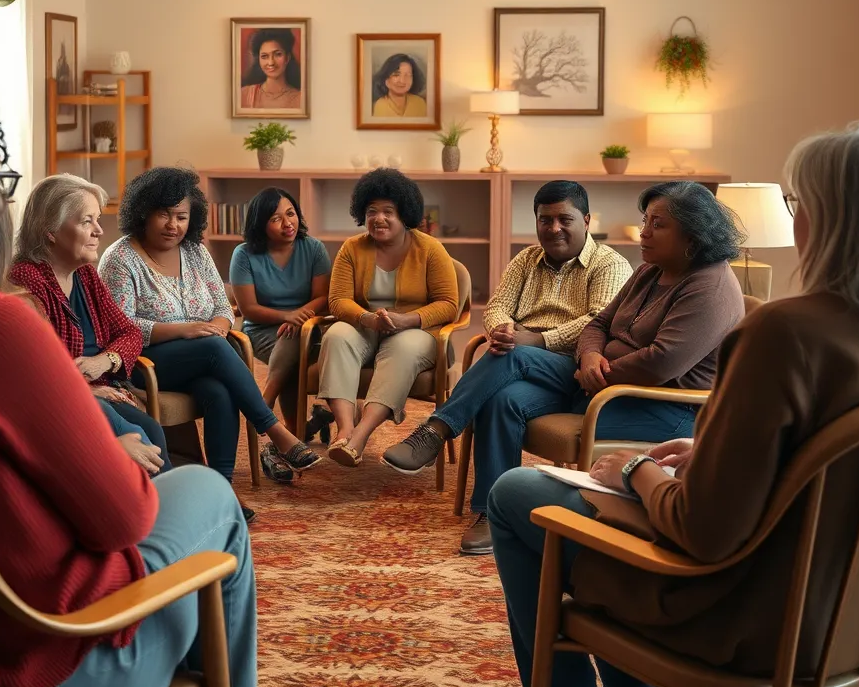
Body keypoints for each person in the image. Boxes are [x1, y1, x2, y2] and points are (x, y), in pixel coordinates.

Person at [0, 61, 260, 687]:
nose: (4, 202)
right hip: (34, 678)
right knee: (212, 498)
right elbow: (122, 520)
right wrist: (114, 452)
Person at [477, 160, 859, 687]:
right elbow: (820, 461)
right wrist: (705, 454)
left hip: (733, 618)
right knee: (517, 409)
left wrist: (638, 470)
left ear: (829, 221)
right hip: (838, 625)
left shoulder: (783, 333)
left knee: (517, 492)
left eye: (797, 203)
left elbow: (702, 531)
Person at [383, 180, 632, 554]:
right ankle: (493, 513)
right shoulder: (526, 259)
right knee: (502, 401)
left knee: (510, 354)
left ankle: (435, 430)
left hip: (576, 368)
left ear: (586, 220)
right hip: (521, 365)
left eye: (564, 219)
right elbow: (498, 305)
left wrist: (536, 341)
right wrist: (501, 329)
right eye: (544, 220)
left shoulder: (609, 264)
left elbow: (597, 323)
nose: (553, 228)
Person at [98, 166, 320, 494]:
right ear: (143, 212)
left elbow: (222, 307)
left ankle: (221, 492)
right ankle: (274, 431)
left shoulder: (195, 251)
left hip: (202, 356)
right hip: (143, 362)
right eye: (164, 215)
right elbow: (122, 327)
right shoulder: (120, 259)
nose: (174, 225)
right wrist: (184, 330)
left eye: (182, 216)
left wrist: (213, 329)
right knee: (218, 349)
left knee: (219, 391)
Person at [10, 174, 172, 474]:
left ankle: (172, 504)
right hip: (63, 399)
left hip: (103, 385)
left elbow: (129, 332)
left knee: (150, 429)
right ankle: (170, 507)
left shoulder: (85, 274)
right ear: (51, 231)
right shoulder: (27, 280)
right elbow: (40, 366)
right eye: (87, 221)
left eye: (97, 219)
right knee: (140, 435)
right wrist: (85, 387)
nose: (99, 230)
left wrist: (104, 361)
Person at [317, 168, 459, 467]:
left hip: (416, 331)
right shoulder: (352, 248)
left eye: (388, 211)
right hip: (366, 325)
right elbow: (338, 300)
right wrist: (368, 319)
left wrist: (408, 320)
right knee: (336, 335)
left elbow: (448, 304)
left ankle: (360, 437)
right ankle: (344, 429)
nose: (378, 218)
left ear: (404, 214)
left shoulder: (431, 249)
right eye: (371, 211)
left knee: (403, 348)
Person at [229, 188, 333, 450]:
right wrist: (288, 315)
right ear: (260, 224)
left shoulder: (313, 248)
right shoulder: (244, 254)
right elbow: (248, 308)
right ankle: (300, 425)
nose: (288, 223)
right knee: (292, 339)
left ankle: (269, 406)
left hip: (310, 328)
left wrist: (299, 317)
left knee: (296, 334)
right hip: (261, 331)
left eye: (291, 214)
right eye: (276, 219)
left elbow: (323, 299)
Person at [239, 27, 302, 110]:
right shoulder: (244, 94)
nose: (271, 62)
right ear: (259, 60)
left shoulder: (300, 99)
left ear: (287, 58)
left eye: (277, 54)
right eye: (264, 56)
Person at [371, 53, 428, 118]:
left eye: (408, 75)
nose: (402, 81)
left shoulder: (419, 103)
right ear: (386, 80)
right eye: (396, 75)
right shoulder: (379, 106)